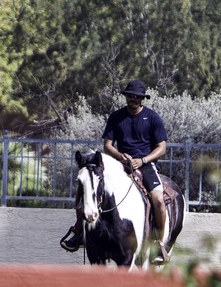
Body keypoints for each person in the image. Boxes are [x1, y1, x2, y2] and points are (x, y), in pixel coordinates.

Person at [61, 79, 171, 261]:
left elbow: (162, 147)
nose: (132, 99)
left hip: (146, 164)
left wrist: (142, 159)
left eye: (136, 97)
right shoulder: (116, 117)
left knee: (158, 199)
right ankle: (79, 233)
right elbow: (108, 145)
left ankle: (158, 242)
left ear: (142, 99)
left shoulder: (152, 117)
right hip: (120, 164)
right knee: (89, 191)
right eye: (129, 96)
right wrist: (121, 156)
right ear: (126, 97)